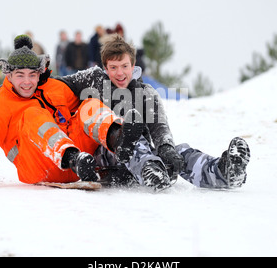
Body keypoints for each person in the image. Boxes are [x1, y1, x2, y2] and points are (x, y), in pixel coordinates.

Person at [57, 34, 250, 190]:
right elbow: (57, 84)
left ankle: (224, 172)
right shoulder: (93, 80)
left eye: (125, 66)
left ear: (133, 66)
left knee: (178, 151)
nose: (120, 73)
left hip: (140, 159)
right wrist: (31, 76)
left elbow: (159, 126)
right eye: (113, 67)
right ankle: (151, 170)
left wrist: (166, 148)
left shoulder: (145, 93)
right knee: (129, 136)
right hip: (102, 156)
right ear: (105, 68)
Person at [0, 35, 144, 189]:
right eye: (20, 75)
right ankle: (73, 158)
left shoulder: (54, 87)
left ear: (39, 73)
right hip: (39, 165)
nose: (27, 82)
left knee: (89, 104)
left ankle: (119, 139)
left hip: (82, 164)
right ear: (9, 75)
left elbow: (85, 116)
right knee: (33, 114)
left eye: (32, 75)